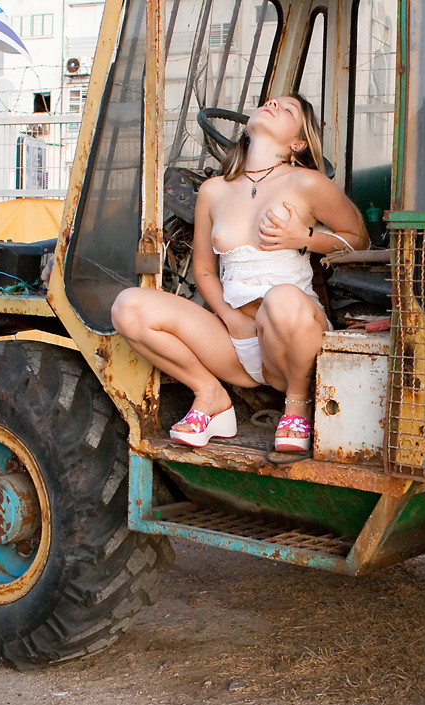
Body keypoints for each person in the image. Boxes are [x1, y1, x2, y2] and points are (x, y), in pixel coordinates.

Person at [111, 95, 368, 452]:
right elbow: (203, 269)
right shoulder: (213, 190)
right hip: (236, 343)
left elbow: (359, 241)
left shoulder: (308, 183)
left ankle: (297, 405)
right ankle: (210, 395)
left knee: (280, 299)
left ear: (298, 143)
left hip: (291, 339)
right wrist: (230, 317)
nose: (274, 104)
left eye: (287, 109)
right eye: (271, 101)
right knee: (129, 307)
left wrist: (303, 237)